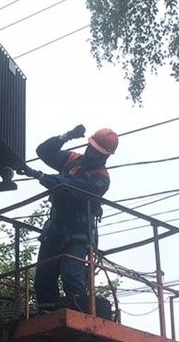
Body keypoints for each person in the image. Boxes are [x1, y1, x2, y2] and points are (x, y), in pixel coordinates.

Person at [33, 125, 119, 315]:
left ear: (106, 156)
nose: (94, 155)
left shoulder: (101, 179)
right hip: (56, 227)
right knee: (43, 276)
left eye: (99, 153)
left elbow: (72, 186)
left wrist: (44, 177)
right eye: (93, 149)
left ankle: (81, 315)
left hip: (78, 232)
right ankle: (46, 313)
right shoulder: (72, 160)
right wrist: (67, 136)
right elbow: (43, 151)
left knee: (72, 275)